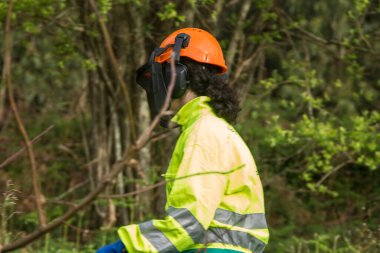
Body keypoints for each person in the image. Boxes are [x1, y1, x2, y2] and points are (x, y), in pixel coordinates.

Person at [97, 28, 269, 253]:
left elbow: (188, 225)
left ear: (176, 77)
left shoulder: (204, 133)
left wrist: (126, 246)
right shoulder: (215, 128)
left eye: (162, 75)